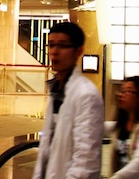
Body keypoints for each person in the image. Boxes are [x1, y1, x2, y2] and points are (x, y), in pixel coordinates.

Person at [32, 21, 104, 179]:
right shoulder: (56, 89)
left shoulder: (86, 95)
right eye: (51, 45)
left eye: (63, 46)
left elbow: (86, 160)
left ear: (78, 51)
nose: (54, 52)